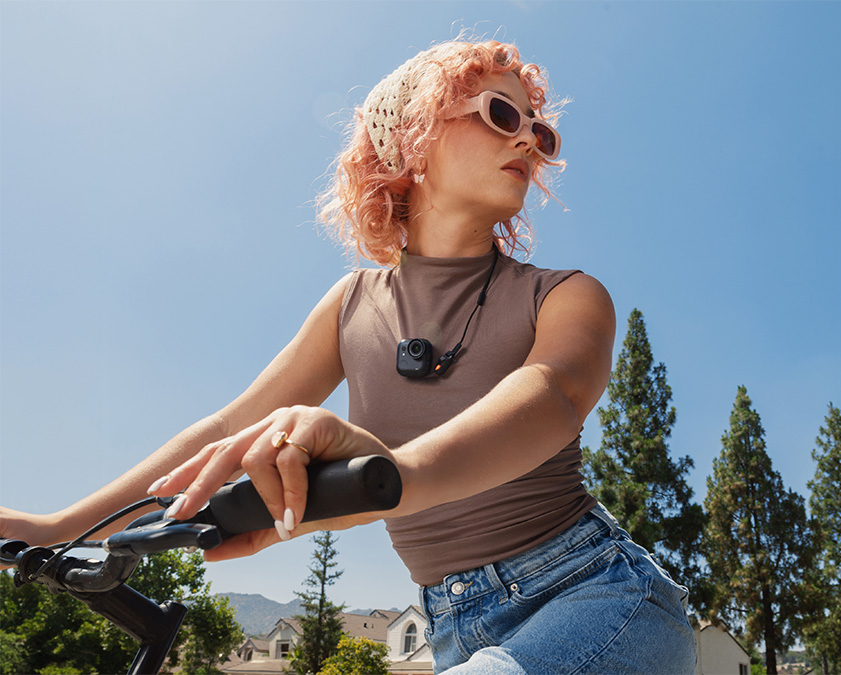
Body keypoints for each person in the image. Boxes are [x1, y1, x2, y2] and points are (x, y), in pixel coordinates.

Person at [1, 39, 697, 673]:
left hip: (598, 593)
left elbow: (552, 396)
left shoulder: (568, 296)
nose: (529, 141)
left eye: (538, 129)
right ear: (408, 141)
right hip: (451, 625)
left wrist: (394, 473)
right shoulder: (349, 306)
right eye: (499, 114)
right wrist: (57, 528)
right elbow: (221, 433)